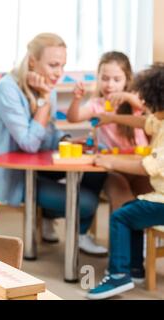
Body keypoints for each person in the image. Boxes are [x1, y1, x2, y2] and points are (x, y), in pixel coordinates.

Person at [0, 33, 107, 255]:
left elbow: (48, 134)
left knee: (97, 172)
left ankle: (77, 233)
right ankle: (53, 217)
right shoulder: (8, 90)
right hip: (13, 176)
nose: (59, 73)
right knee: (87, 203)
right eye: (53, 65)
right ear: (33, 61)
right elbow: (30, 143)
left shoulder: (46, 88)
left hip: (39, 166)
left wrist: (69, 142)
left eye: (62, 65)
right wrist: (43, 99)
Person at [87, 63, 164, 299]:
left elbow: (145, 166)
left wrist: (110, 163)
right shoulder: (161, 119)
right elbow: (145, 122)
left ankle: (118, 276)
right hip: (159, 198)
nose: (148, 112)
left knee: (121, 216)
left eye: (151, 106)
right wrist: (111, 118)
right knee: (132, 209)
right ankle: (134, 268)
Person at [67, 51, 152, 212]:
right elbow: (74, 117)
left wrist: (127, 96)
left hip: (139, 165)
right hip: (113, 168)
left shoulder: (133, 102)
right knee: (123, 200)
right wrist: (77, 99)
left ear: (127, 80)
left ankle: (143, 236)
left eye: (117, 79)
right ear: (98, 78)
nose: (110, 85)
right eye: (105, 78)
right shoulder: (96, 104)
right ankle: (122, 234)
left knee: (149, 199)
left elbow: (148, 110)